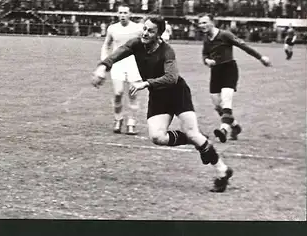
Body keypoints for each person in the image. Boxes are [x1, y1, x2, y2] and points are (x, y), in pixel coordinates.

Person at [92, 16, 233, 192]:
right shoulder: (136, 44)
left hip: (177, 92)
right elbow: (117, 53)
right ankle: (193, 137)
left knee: (194, 134)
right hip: (158, 96)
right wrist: (103, 67)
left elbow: (172, 77)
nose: (145, 32)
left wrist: (146, 83)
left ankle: (222, 171)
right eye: (144, 28)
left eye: (151, 31)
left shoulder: (167, 51)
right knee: (158, 137)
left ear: (159, 34)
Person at [198, 14, 271, 143]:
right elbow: (205, 54)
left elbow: (243, 46)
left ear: (212, 22)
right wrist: (207, 60)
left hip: (229, 69)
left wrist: (261, 57)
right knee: (217, 105)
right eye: (200, 23)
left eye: (204, 22)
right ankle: (235, 127)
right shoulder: (206, 39)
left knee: (226, 102)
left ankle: (223, 130)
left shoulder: (225, 35)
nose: (202, 26)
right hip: (215, 72)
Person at [100, 5, 143, 135]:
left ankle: (131, 123)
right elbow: (106, 45)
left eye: (125, 13)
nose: (123, 15)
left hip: (134, 64)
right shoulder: (113, 28)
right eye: (120, 13)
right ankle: (118, 119)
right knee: (118, 93)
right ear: (117, 14)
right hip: (118, 63)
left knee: (133, 94)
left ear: (130, 14)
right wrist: (105, 62)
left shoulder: (138, 28)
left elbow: (148, 42)